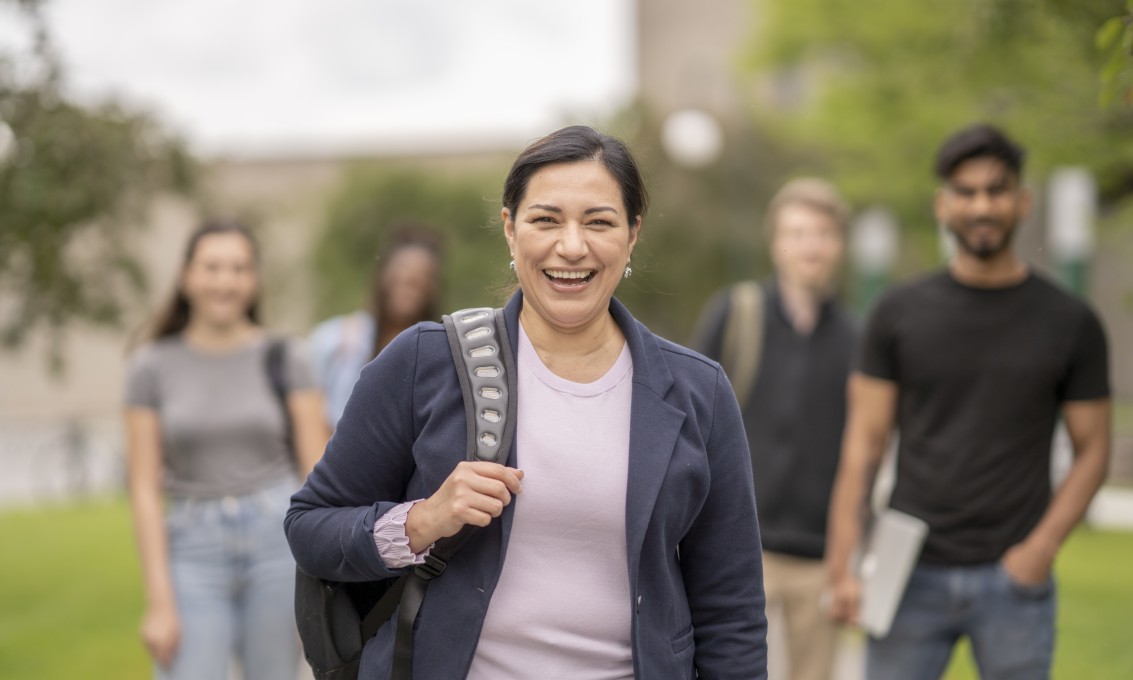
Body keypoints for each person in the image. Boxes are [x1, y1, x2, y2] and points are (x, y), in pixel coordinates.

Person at [285, 125, 768, 679]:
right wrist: (421, 521)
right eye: (546, 219)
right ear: (511, 230)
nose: (571, 245)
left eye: (599, 221)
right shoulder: (424, 362)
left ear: (633, 234)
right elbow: (310, 528)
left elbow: (732, 613)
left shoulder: (699, 392)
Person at [825, 124, 1111, 680]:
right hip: (907, 572)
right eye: (966, 191)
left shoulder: (1070, 322)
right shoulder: (898, 312)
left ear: (1022, 202)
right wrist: (843, 566)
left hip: (1014, 579)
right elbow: (863, 446)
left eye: (997, 189)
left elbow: (1094, 451)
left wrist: (1040, 550)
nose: (982, 204)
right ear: (943, 204)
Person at [124, 220, 329, 679]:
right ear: (186, 276)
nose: (225, 280)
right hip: (192, 548)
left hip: (277, 540)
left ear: (253, 280)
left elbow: (317, 477)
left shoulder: (287, 357)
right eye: (212, 267)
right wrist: (158, 603)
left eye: (238, 268)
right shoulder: (151, 366)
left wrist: (320, 586)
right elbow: (142, 490)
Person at [691, 178, 855, 680]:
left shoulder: (857, 336)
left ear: (839, 245)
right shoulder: (737, 312)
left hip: (820, 556)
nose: (811, 245)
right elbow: (689, 416)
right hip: (738, 546)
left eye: (823, 234)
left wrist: (849, 560)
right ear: (776, 242)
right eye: (798, 232)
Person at [307, 225, 444, 429]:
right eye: (402, 270)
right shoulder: (334, 340)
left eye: (423, 275)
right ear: (382, 276)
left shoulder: (440, 356)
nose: (410, 279)